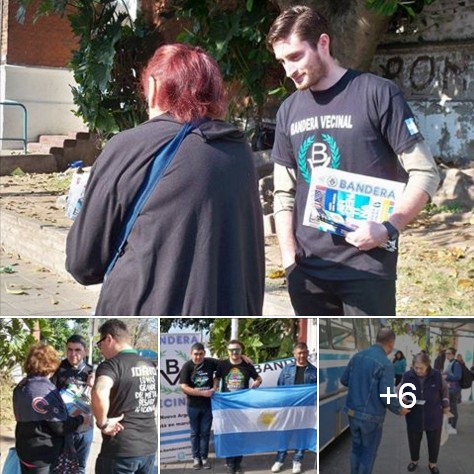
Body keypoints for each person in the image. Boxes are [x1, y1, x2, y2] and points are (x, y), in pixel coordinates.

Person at [66, 43, 265, 316]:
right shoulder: (237, 149)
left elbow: (83, 264)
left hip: (141, 310)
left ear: (154, 87)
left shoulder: (129, 147)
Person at [265, 6, 440, 315]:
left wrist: (389, 227)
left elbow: (425, 173)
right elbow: (283, 194)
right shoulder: (288, 110)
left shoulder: (378, 94)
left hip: (368, 269)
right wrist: (290, 263)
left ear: (322, 43)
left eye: (295, 57)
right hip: (308, 273)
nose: (288, 71)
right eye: (282, 61)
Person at [91, 319, 158, 474]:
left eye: (100, 343)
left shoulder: (111, 365)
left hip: (121, 449)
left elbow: (99, 392)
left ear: (109, 339)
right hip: (148, 446)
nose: (100, 349)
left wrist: (102, 424)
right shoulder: (149, 365)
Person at [340, 328, 410, 474]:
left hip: (352, 412)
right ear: (391, 344)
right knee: (368, 453)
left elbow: (344, 380)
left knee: (356, 449)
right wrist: (399, 408)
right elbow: (386, 395)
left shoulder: (357, 356)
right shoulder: (385, 364)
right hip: (371, 417)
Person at [13, 344, 89, 474]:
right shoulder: (43, 389)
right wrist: (81, 419)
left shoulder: (21, 386)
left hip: (25, 448)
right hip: (43, 453)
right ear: (51, 363)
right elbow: (59, 427)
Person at [213, 340, 262, 474]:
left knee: (240, 435)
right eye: (231, 350)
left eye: (237, 350)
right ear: (227, 351)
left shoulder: (247, 364)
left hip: (242, 406)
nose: (234, 352)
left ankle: (238, 463)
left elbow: (259, 378)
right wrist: (214, 388)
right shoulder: (222, 364)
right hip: (227, 406)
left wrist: (257, 383)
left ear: (241, 351)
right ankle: (230, 464)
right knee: (229, 435)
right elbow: (216, 378)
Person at [51, 335, 94, 474]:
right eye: (69, 349)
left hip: (85, 428)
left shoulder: (92, 371)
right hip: (64, 427)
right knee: (59, 467)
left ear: (85, 351)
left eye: (77, 350)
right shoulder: (57, 369)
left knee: (80, 467)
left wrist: (95, 385)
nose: (73, 354)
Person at [271, 342, 316, 474]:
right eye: (299, 353)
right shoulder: (287, 369)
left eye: (304, 353)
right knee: (284, 434)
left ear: (307, 353)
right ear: (294, 354)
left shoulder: (314, 371)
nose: (301, 356)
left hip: (305, 410)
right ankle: (279, 460)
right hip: (288, 409)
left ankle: (297, 461)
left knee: (301, 435)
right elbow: (279, 387)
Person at [401, 352, 449, 474]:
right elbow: (400, 390)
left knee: (434, 442)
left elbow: (444, 391)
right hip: (414, 415)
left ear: (428, 365)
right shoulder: (407, 376)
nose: (418, 370)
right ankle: (414, 460)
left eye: (421, 368)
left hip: (433, 415)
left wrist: (446, 405)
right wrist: (403, 398)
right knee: (413, 440)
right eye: (415, 367)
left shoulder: (437, 376)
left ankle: (432, 464)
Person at [179, 343, 217, 470]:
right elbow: (184, 387)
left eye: (201, 354)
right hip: (193, 406)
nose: (198, 357)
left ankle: (204, 458)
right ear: (191, 354)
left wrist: (215, 384)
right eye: (196, 354)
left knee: (205, 433)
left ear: (204, 354)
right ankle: (196, 458)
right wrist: (202, 393)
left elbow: (227, 364)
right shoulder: (187, 366)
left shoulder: (211, 363)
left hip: (207, 406)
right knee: (195, 433)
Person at [442, 347, 462, 434]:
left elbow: (458, 376)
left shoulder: (456, 364)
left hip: (454, 389)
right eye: (446, 353)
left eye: (449, 353)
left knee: (453, 408)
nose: (447, 355)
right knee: (449, 408)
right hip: (450, 388)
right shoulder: (450, 363)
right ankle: (450, 425)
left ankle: (453, 427)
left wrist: (447, 377)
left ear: (453, 354)